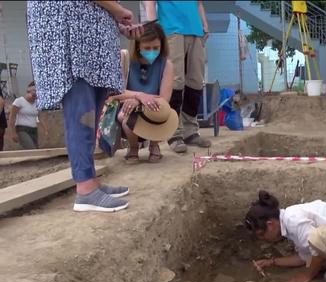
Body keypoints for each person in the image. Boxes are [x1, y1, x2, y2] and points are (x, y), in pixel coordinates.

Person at [26, 1, 143, 212]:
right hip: (70, 24)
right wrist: (117, 10)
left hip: (90, 27)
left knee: (93, 106)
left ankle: (90, 180)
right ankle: (86, 190)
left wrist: (115, 20)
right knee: (81, 108)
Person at [245, 191, 326, 282]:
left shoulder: (293, 221)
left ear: (270, 225)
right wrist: (272, 262)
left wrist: (307, 276)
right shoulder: (288, 223)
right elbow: (304, 257)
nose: (263, 239)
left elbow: (317, 251)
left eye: (262, 234)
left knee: (320, 259)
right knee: (317, 262)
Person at [144, 0, 211, 153]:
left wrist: (204, 24)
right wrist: (154, 28)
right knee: (175, 82)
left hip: (196, 31)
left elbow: (199, 3)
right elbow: (150, 2)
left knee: (195, 81)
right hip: (171, 31)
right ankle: (174, 132)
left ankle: (191, 131)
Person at [114, 22, 174, 163]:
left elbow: (165, 99)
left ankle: (154, 145)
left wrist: (140, 100)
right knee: (126, 115)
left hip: (154, 108)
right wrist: (139, 96)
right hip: (127, 108)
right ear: (137, 46)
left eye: (156, 48)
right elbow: (115, 92)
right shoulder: (124, 59)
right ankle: (133, 147)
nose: (152, 51)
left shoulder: (166, 65)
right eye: (147, 48)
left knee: (162, 111)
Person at [8, 82, 47, 149]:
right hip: (22, 129)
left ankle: (19, 150)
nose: (34, 98)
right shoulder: (19, 101)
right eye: (33, 95)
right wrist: (13, 132)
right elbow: (12, 117)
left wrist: (45, 130)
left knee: (34, 149)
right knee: (31, 148)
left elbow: (40, 117)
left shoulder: (37, 103)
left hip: (33, 129)